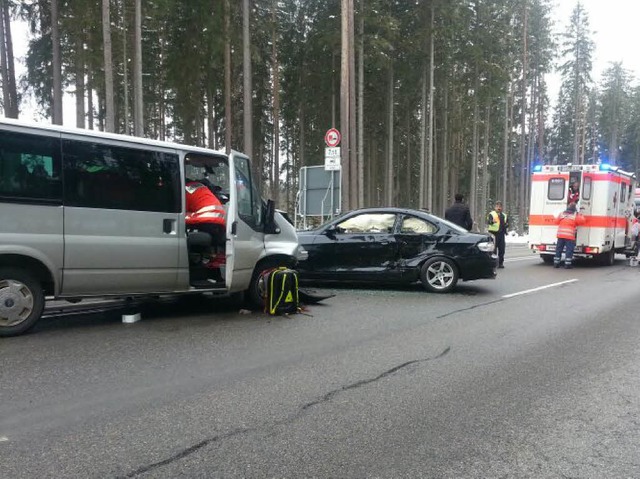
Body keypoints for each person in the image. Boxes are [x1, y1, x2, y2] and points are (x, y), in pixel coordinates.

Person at [553, 202, 586, 269]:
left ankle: (556, 263)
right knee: (569, 250)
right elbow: (582, 221)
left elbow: (556, 222)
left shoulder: (561, 214)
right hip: (569, 236)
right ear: (575, 209)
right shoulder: (575, 215)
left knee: (558, 249)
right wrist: (580, 214)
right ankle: (567, 264)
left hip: (561, 235)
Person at [487, 201, 509, 269]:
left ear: (501, 207)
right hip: (494, 234)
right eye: (497, 206)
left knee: (502, 249)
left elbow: (507, 223)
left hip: (501, 234)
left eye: (500, 206)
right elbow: (488, 221)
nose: (498, 208)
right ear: (495, 207)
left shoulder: (504, 215)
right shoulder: (491, 214)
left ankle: (501, 263)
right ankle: (494, 263)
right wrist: (492, 221)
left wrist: (506, 225)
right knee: (493, 249)